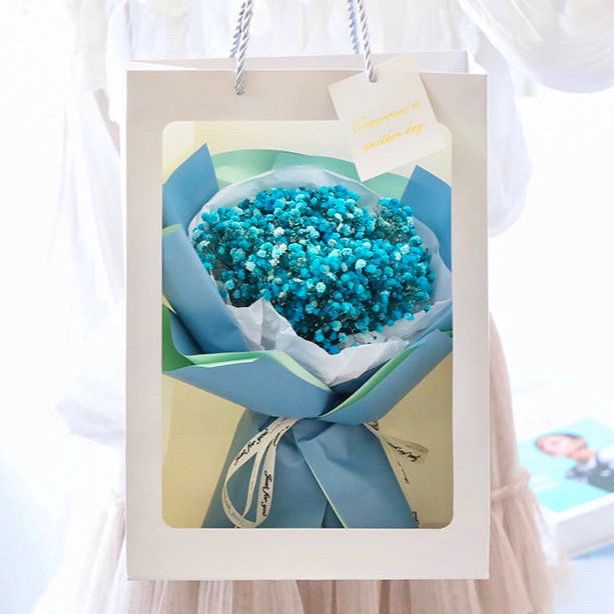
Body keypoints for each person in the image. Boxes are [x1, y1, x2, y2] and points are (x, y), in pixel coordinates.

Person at [535, 432, 614, 492]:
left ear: (579, 441)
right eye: (542, 448)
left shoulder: (609, 453)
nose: (548, 449)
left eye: (555, 443)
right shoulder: (573, 474)